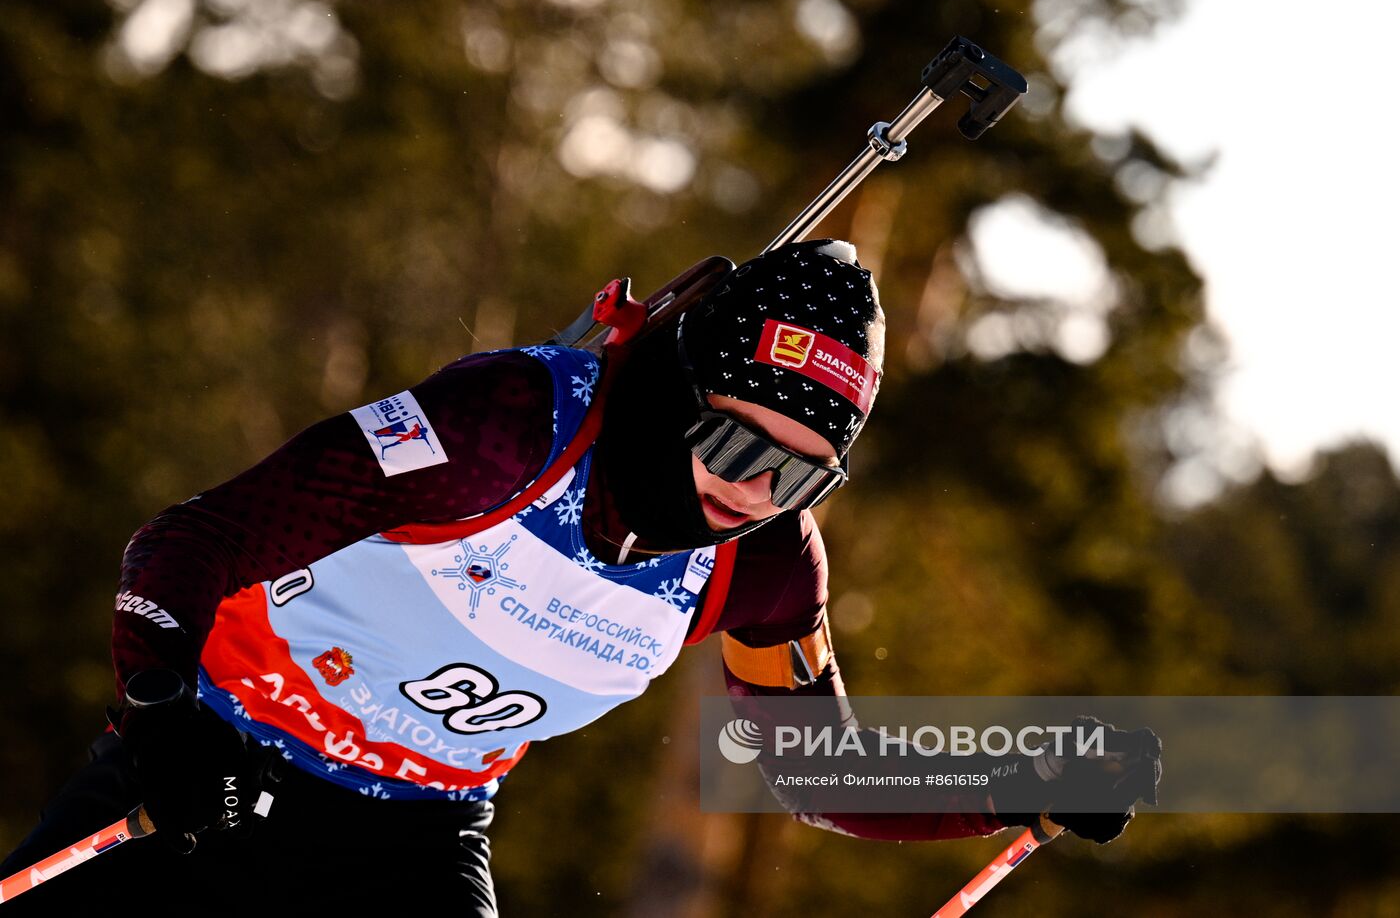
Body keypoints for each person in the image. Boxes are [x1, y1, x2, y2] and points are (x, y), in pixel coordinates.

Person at [2, 240, 1158, 913]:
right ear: (677, 389)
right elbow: (186, 544)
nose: (752, 495)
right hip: (216, 774)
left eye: (802, 480)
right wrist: (160, 711)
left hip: (413, 842)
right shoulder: (507, 429)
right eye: (737, 446)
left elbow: (807, 771)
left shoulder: (756, 568)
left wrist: (1018, 781)